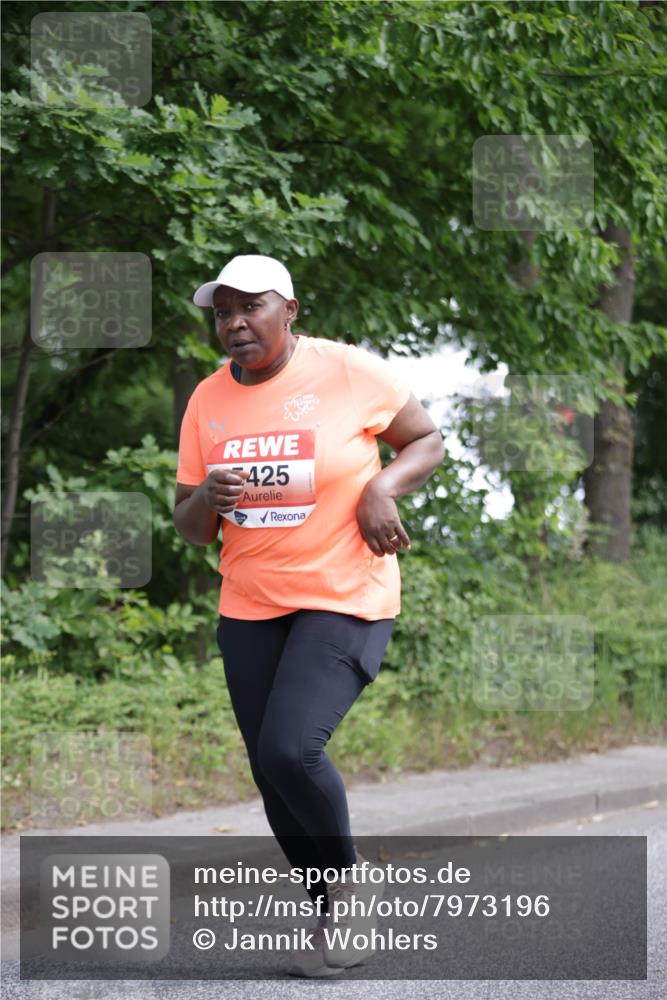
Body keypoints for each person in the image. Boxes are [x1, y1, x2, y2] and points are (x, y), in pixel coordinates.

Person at [173, 254, 444, 977]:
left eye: (250, 306)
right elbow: (191, 524)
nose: (234, 323)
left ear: (289, 309)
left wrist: (381, 486)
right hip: (251, 603)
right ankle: (332, 910)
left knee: (292, 748)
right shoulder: (207, 401)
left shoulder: (346, 371)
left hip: (343, 593)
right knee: (270, 770)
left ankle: (350, 891)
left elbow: (425, 439)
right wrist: (209, 499)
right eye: (222, 311)